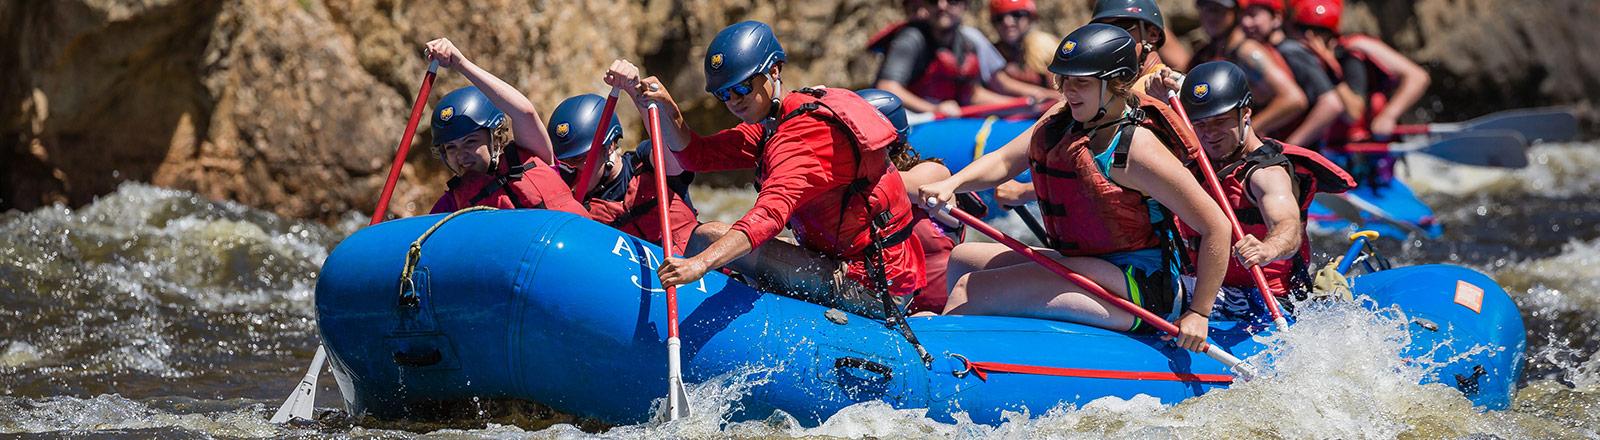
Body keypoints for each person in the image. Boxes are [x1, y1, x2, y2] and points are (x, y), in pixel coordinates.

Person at [919, 24, 1232, 351]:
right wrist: (951, 183)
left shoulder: (1138, 150)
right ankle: (983, 341)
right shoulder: (1063, 120)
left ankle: (941, 355)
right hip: (1092, 263)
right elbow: (1002, 161)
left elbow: (1216, 227)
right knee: (963, 258)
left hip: (1140, 287)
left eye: (1081, 82)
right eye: (1064, 80)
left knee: (973, 286)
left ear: (1117, 83)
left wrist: (1199, 313)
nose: (1068, 90)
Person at [607, 21, 927, 319]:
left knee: (707, 239)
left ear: (774, 70)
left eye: (743, 87)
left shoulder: (803, 136)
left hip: (872, 287)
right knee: (716, 240)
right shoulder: (772, 125)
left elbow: (768, 217)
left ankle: (677, 322)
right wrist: (666, 105)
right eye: (723, 94)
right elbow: (697, 155)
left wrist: (698, 265)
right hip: (848, 266)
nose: (733, 100)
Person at [1176, 61, 1356, 320]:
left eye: (1220, 121)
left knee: (1161, 293)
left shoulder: (1266, 174)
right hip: (1209, 286)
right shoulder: (1200, 161)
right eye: (1200, 124)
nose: (1210, 134)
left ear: (1245, 113)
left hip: (1263, 299)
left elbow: (1287, 227)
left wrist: (1267, 249)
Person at [859, 88, 993, 315]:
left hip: (940, 313)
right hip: (881, 306)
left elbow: (908, 186)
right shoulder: (852, 188)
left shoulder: (933, 173)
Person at [422, 37, 586, 216]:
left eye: (470, 142)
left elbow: (525, 112)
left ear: (495, 138)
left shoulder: (530, 156)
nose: (460, 155)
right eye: (451, 148)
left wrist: (460, 63)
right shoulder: (450, 204)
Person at [1289, 0, 1431, 184]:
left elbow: (1418, 77)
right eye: (1301, 29)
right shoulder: (1296, 57)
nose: (1308, 38)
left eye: (1318, 32)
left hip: (1367, 151)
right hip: (1334, 152)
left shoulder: (1355, 48)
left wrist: (1388, 116)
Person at [547, 93, 699, 252]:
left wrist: (635, 92)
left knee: (709, 232)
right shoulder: (569, 194)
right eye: (564, 161)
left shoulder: (644, 162)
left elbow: (674, 155)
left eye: (578, 158)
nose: (570, 168)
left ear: (609, 147)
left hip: (688, 264)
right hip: (622, 274)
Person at [868, 0, 1013, 117]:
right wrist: (934, 109)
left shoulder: (967, 44)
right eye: (933, 1)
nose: (942, 5)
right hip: (912, 121)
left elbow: (972, 95)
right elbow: (887, 87)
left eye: (952, 1)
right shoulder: (910, 38)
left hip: (944, 120)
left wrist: (1017, 105)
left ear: (965, 5)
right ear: (925, 6)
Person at [1237, 0, 1346, 147]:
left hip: (1300, 157)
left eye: (1253, 15)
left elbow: (1331, 103)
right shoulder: (1269, 50)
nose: (1246, 22)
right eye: (1243, 15)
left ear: (1276, 18)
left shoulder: (1290, 51)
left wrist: (1290, 146)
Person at [1192, 0, 1308, 137]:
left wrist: (1244, 132)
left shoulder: (1247, 51)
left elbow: (1294, 99)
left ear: (1237, 13)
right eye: (1205, 8)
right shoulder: (1207, 52)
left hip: (1262, 145)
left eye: (1218, 9)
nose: (1210, 16)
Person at [988, 0, 1061, 102]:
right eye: (999, 18)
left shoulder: (1045, 46)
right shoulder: (990, 51)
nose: (1007, 22)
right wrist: (1037, 94)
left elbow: (1062, 96)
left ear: (1031, 18)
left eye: (1016, 15)